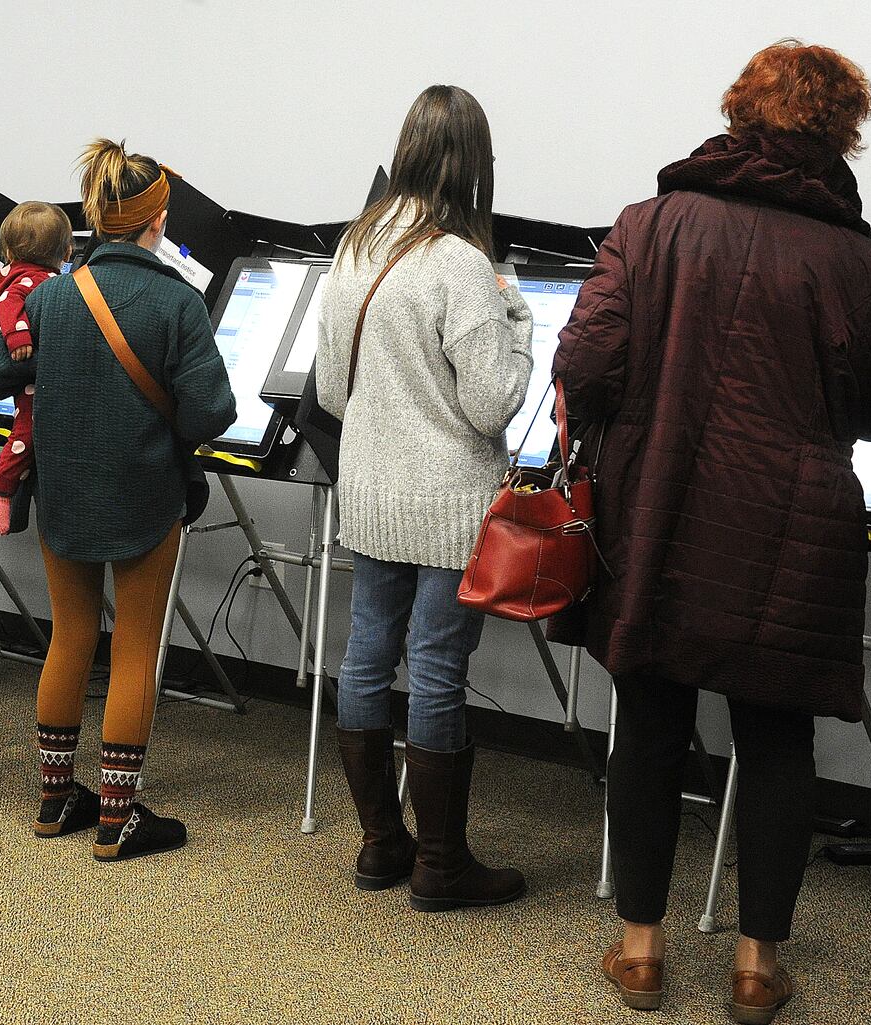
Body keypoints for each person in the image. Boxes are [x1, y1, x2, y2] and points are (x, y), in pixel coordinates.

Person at [552, 41, 871, 1025]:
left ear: (737, 115)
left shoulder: (650, 223)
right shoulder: (858, 262)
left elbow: (585, 364)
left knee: (647, 724)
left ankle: (639, 951)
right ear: (839, 134)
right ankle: (757, 969)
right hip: (790, 530)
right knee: (775, 741)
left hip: (660, 508)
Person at [0, 139, 236, 861]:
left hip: (63, 494)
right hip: (147, 497)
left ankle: (56, 799)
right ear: (156, 221)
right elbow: (212, 409)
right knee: (136, 647)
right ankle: (119, 818)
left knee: (70, 637)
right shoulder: (176, 300)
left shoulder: (54, 295)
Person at [315, 86, 534, 909]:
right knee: (438, 667)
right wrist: (518, 323)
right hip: (447, 505)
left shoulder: (356, 247)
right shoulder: (463, 265)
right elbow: (492, 403)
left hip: (370, 494)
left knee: (367, 652)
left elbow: (332, 390)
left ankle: (381, 845)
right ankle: (441, 864)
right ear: (474, 165)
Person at [0, 201, 74, 536]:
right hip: (29, 375)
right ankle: (1, 494)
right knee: (25, 433)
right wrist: (18, 338)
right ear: (67, 249)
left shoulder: (25, 276)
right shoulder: (32, 280)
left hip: (34, 377)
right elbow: (8, 305)